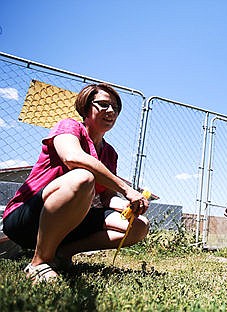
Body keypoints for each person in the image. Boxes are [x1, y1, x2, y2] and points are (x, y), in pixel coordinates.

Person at [2, 83, 150, 283]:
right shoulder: (69, 127)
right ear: (86, 107)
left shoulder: (110, 153)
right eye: (104, 105)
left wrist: (129, 204)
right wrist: (127, 189)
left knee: (139, 226)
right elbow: (72, 157)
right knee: (83, 177)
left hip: (70, 222)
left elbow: (106, 197)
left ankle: (62, 254)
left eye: (115, 108)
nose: (111, 111)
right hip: (27, 218)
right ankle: (39, 263)